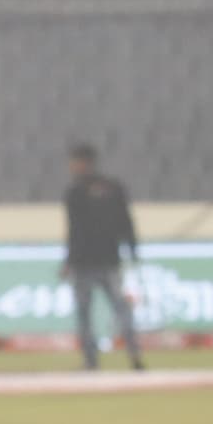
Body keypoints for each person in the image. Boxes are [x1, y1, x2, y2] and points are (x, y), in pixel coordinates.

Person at [61, 143, 145, 372]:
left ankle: (91, 361)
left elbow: (75, 231)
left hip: (85, 263)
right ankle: (134, 355)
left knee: (85, 314)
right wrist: (133, 249)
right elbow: (126, 223)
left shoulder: (75, 192)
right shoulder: (113, 188)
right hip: (111, 259)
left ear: (81, 163)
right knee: (121, 309)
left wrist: (68, 261)